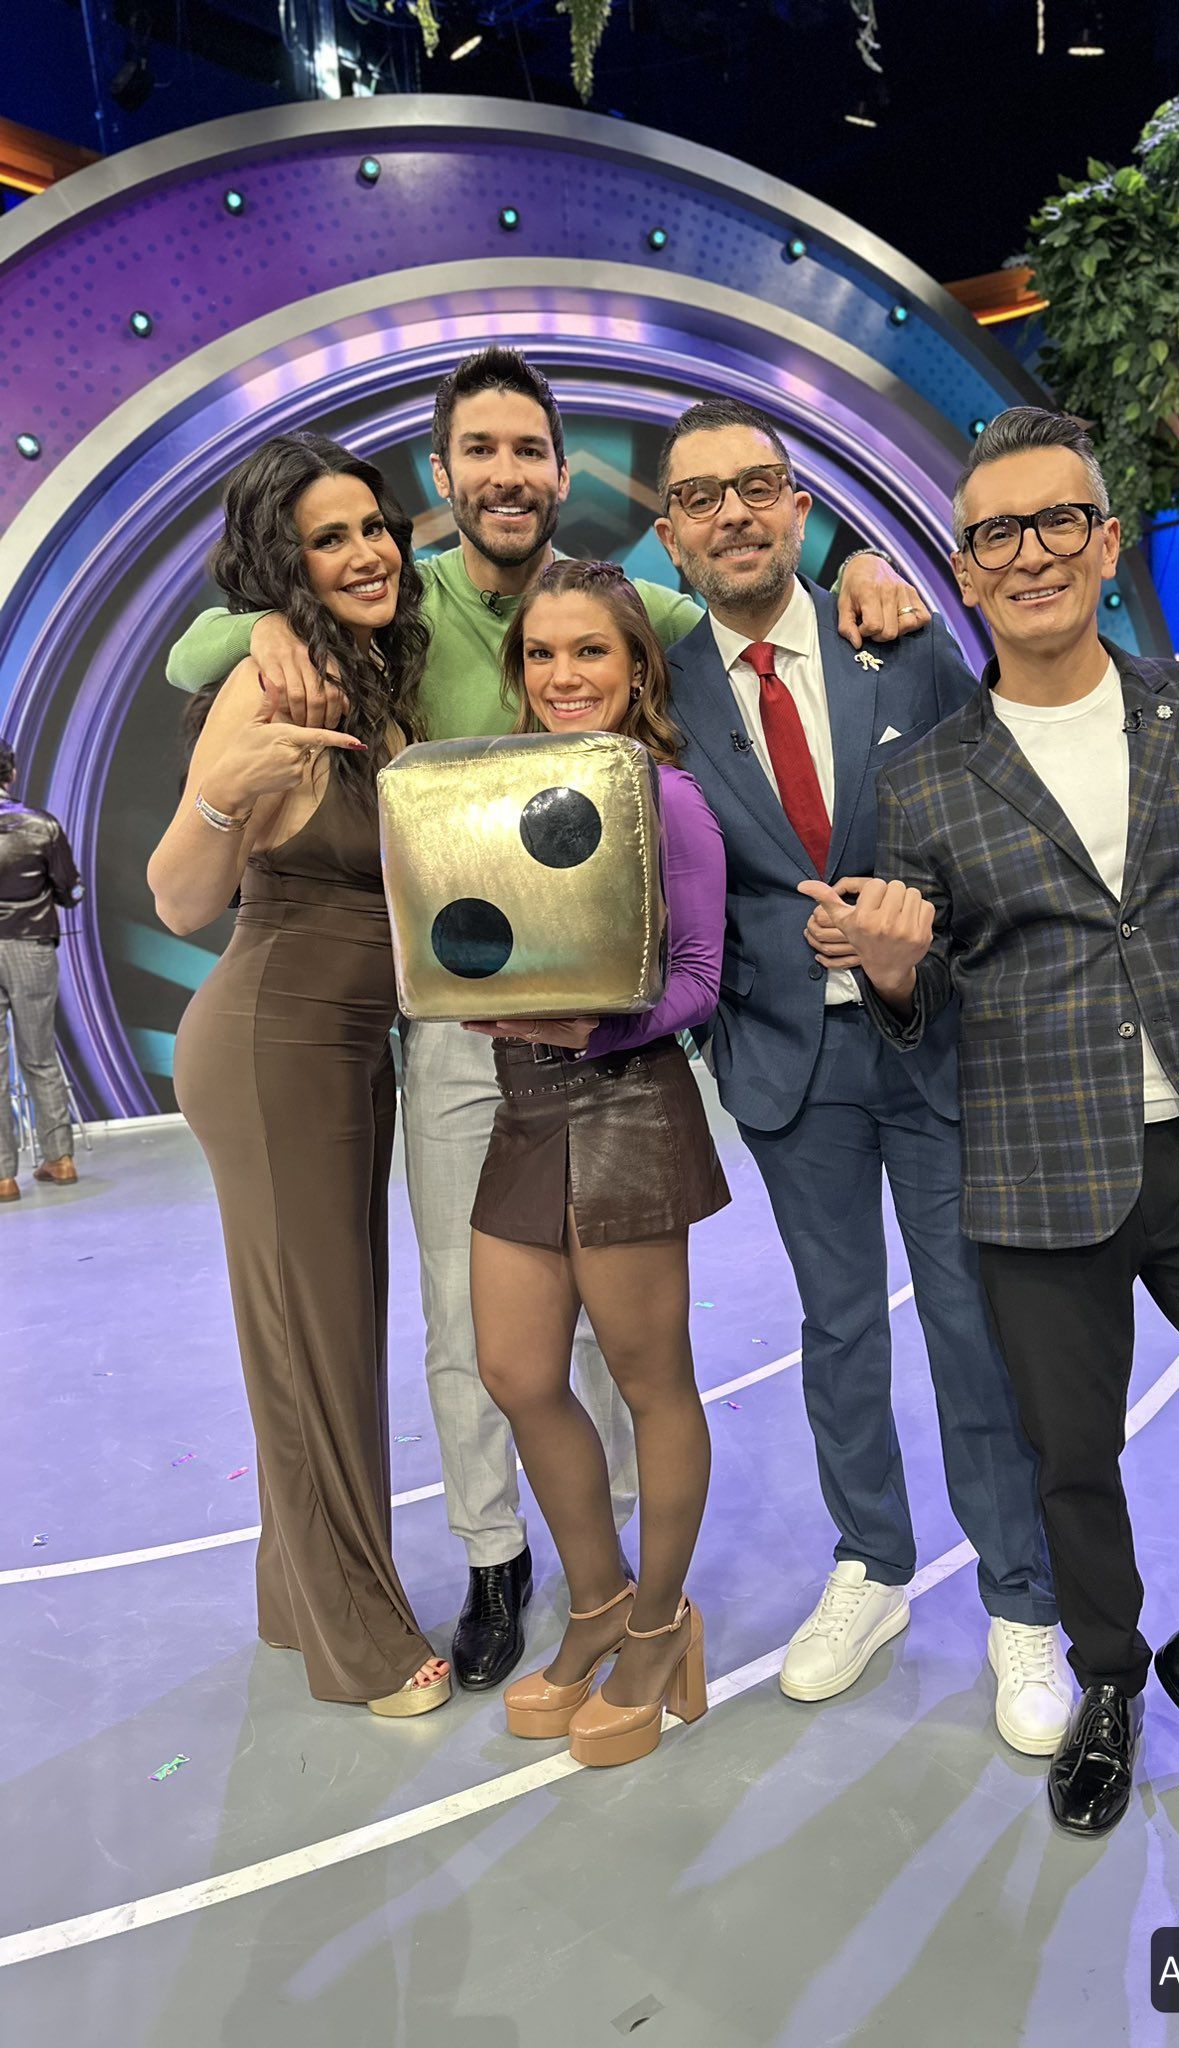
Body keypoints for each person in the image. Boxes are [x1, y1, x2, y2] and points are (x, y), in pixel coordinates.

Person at [165, 349, 926, 1695]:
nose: (506, 473)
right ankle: (499, 1558)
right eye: (481, 451)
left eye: (529, 449)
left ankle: (623, 1578)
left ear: (561, 473)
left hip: (613, 1044)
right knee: (475, 1331)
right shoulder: (401, 600)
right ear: (444, 476)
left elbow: (757, 595)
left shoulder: (623, 600)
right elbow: (195, 647)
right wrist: (265, 626)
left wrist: (862, 566)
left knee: (620, 1348)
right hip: (460, 1037)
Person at [811, 406, 1179, 1840]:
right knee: (1070, 1462)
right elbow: (922, 1005)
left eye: (1060, 520)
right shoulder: (924, 778)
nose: (1032, 552)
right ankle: (1108, 1678)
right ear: (965, 571)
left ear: (1107, 544)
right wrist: (893, 972)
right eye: (997, 533)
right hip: (1037, 1171)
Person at [653, 398, 1069, 1756]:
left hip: (938, 1041)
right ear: (670, 532)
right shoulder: (663, 690)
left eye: (758, 485)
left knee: (972, 1327)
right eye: (701, 496)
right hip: (787, 1061)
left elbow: (994, 838)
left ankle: (1021, 1601)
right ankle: (873, 1564)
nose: (733, 514)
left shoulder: (900, 642)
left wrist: (919, 941)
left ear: (800, 508)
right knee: (837, 1328)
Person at [148, 432, 452, 1716]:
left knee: (329, 1329)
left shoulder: (373, 674)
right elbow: (177, 898)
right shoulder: (264, 683)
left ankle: (297, 1593)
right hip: (273, 1041)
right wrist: (224, 793)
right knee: (311, 1345)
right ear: (287, 564)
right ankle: (362, 1642)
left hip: (346, 1046)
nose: (367, 551)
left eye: (373, 526)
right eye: (331, 538)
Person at [467, 560, 727, 1768]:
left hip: (626, 1101)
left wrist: (599, 1028)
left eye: (590, 652)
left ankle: (663, 1626)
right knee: (516, 1369)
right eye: (542, 652)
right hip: (522, 1106)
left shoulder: (665, 796)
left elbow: (702, 976)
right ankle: (600, 1598)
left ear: (637, 668)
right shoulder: (489, 793)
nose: (563, 674)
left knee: (649, 1380)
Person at [0, 739, 83, 1203]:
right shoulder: (42, 825)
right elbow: (70, 890)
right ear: (10, 773)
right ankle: (60, 1158)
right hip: (32, 947)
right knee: (40, 1057)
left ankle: (3, 1176)